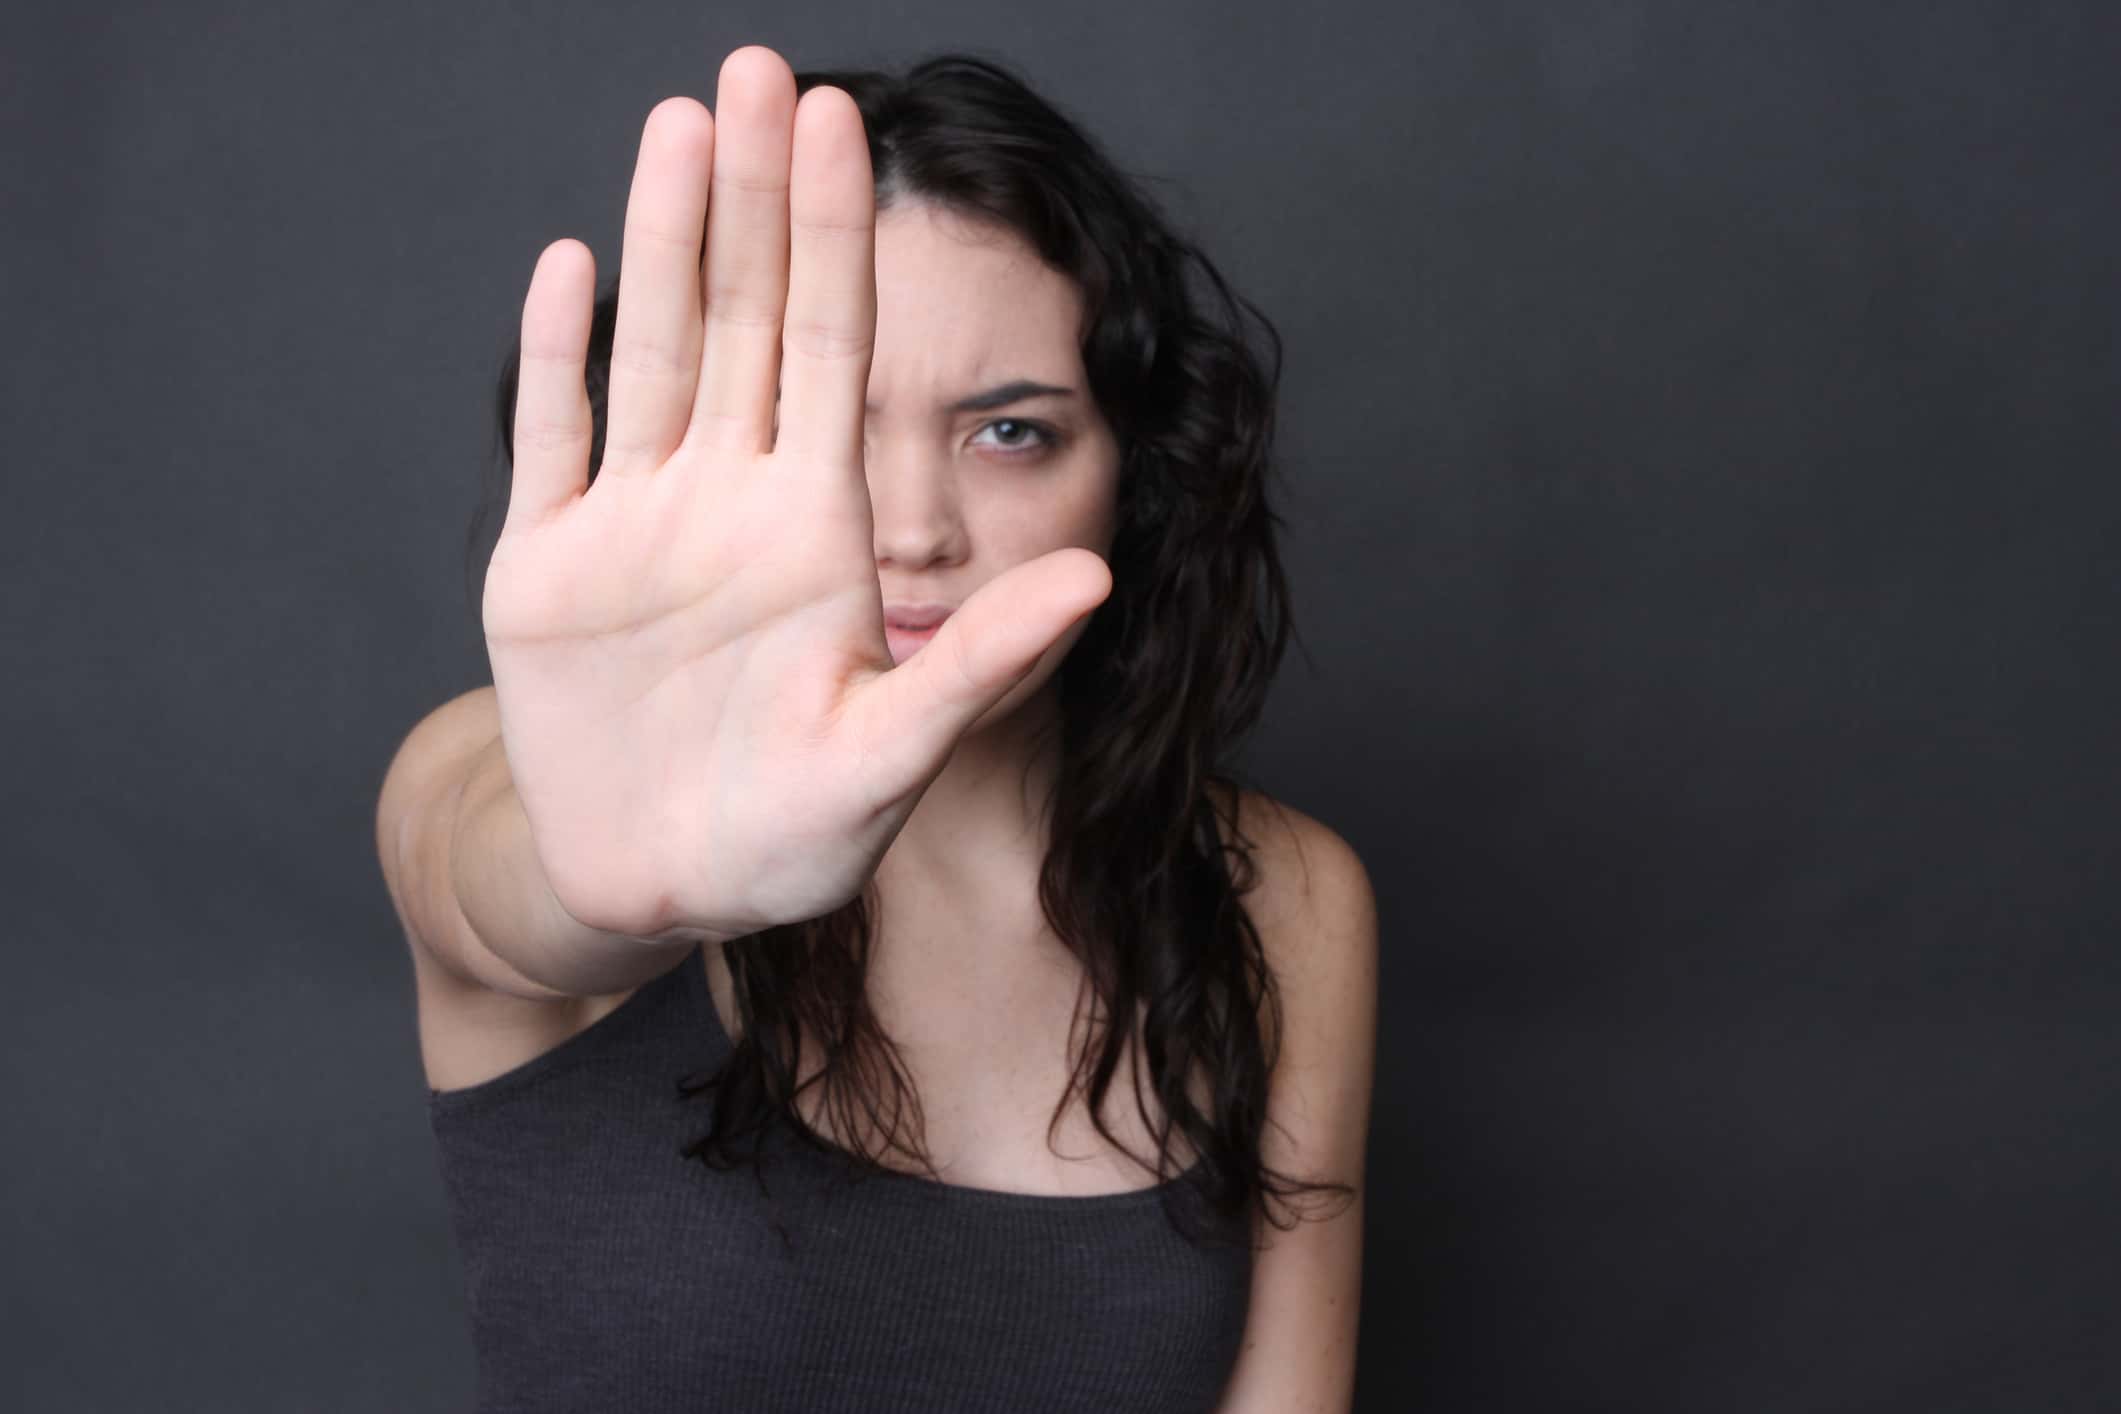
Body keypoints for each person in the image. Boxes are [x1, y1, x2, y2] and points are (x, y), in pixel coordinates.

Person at [375, 43, 1376, 1413]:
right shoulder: (500, 777)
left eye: (1009, 431)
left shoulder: (1280, 901)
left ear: (1132, 480)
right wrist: (600, 874)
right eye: (823, 419)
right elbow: (504, 889)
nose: (911, 526)